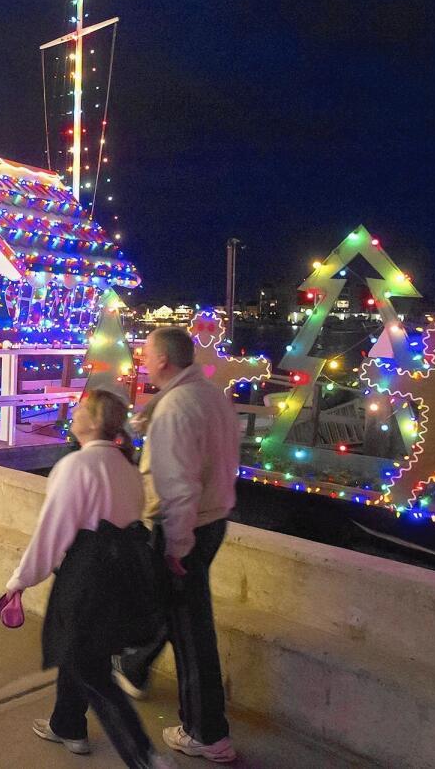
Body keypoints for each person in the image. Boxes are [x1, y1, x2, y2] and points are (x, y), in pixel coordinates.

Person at [5, 390, 172, 769]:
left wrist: (20, 579)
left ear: (94, 422)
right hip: (123, 576)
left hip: (87, 576)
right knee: (82, 650)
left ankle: (143, 755)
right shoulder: (126, 467)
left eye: (81, 409)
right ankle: (68, 724)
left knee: (89, 666)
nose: (74, 413)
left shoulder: (77, 466)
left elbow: (53, 532)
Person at [113, 327, 240, 763]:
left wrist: (174, 548)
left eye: (146, 353)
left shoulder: (176, 409)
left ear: (164, 360)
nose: (141, 359)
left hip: (183, 527)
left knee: (190, 629)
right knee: (175, 612)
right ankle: (134, 665)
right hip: (213, 519)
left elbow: (177, 489)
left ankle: (207, 731)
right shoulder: (211, 397)